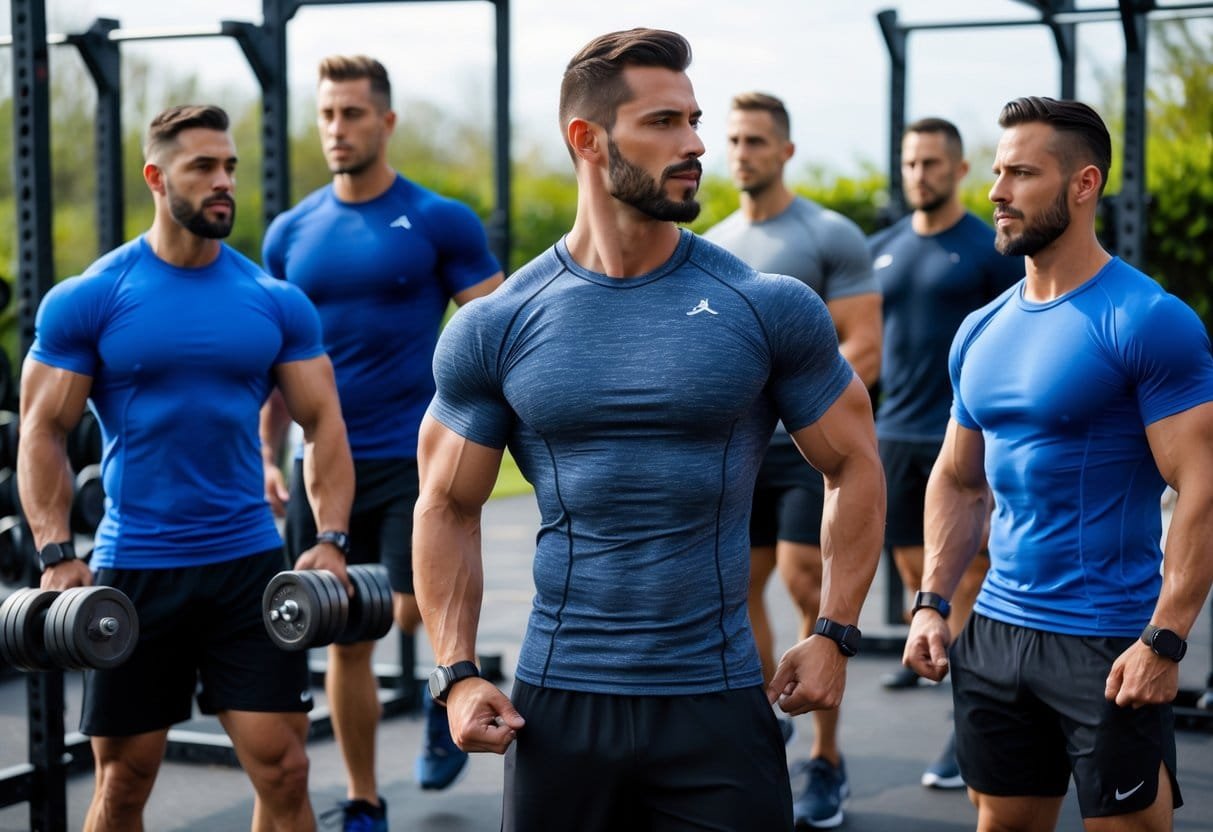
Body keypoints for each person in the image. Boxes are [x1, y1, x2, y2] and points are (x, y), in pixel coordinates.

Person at [412, 28, 885, 832]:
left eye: (693, 120)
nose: (695, 143)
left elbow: (854, 462)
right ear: (587, 140)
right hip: (559, 701)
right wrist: (455, 673)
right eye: (663, 122)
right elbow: (446, 504)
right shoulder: (498, 324)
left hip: (717, 698)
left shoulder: (762, 304)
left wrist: (834, 631)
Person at [17, 104, 354, 832]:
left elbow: (323, 422)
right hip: (136, 568)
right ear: (156, 177)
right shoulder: (92, 297)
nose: (223, 181)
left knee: (285, 768)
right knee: (124, 780)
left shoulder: (273, 301)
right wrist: (55, 553)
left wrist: (330, 536)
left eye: (229, 166)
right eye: (203, 166)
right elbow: (44, 428)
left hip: (247, 566)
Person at [902, 96, 1213, 831]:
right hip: (995, 631)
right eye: (996, 172)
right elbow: (959, 479)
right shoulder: (980, 329)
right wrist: (931, 602)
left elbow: (1201, 486)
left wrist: (1165, 639)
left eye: (1020, 173)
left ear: (1083, 184)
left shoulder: (1147, 319)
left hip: (1107, 637)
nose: (996, 192)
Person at [260, 55, 503, 830]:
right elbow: (276, 361)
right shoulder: (291, 232)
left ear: (386, 122)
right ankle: (365, 797)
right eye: (327, 114)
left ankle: (445, 685)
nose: (337, 128)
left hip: (413, 453)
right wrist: (267, 453)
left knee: (403, 608)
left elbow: (497, 328)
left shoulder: (437, 220)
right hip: (321, 464)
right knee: (345, 635)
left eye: (353, 113)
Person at [702, 91, 881, 829]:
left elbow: (863, 343)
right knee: (736, 585)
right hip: (738, 450)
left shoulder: (828, 234)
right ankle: (763, 718)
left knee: (808, 577)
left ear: (785, 151)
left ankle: (825, 756)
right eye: (733, 140)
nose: (741, 153)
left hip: (807, 445)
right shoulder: (710, 243)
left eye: (755, 141)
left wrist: (794, 406)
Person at [867, 117, 1021, 789]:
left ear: (959, 170)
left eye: (931, 163)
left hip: (959, 436)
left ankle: (972, 729)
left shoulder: (988, 249)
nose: (918, 174)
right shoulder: (880, 249)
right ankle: (958, 678)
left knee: (968, 580)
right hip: (893, 436)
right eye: (910, 163)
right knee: (919, 579)